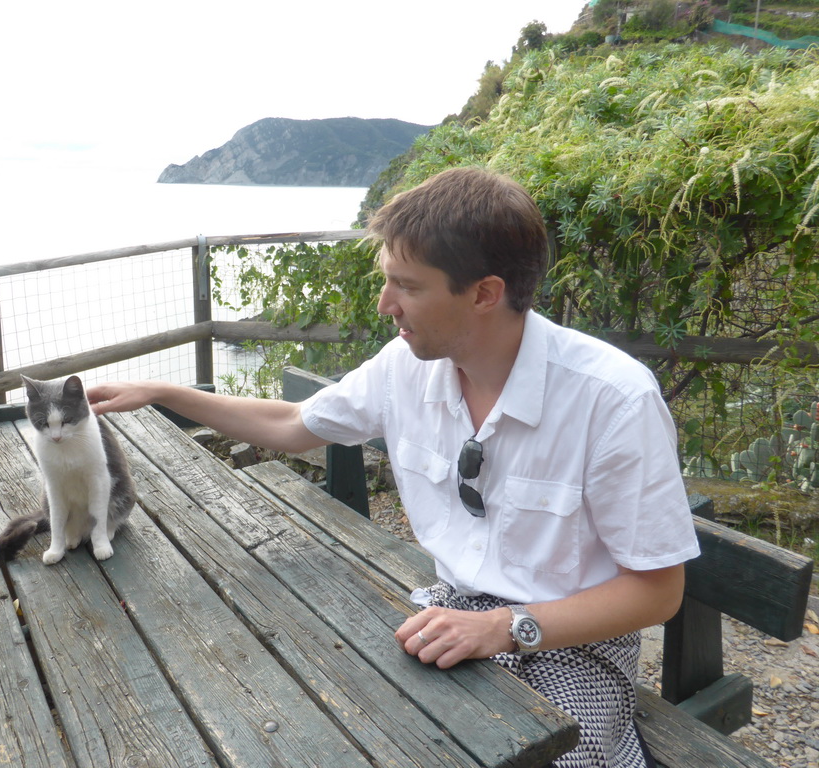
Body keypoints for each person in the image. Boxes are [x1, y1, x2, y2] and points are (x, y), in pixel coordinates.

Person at [87, 166, 700, 768]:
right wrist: (166, 394)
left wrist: (504, 627)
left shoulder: (612, 399)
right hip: (449, 611)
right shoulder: (405, 367)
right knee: (313, 720)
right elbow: (293, 426)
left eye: (406, 286)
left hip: (574, 648)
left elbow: (657, 590)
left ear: (485, 293)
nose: (386, 305)